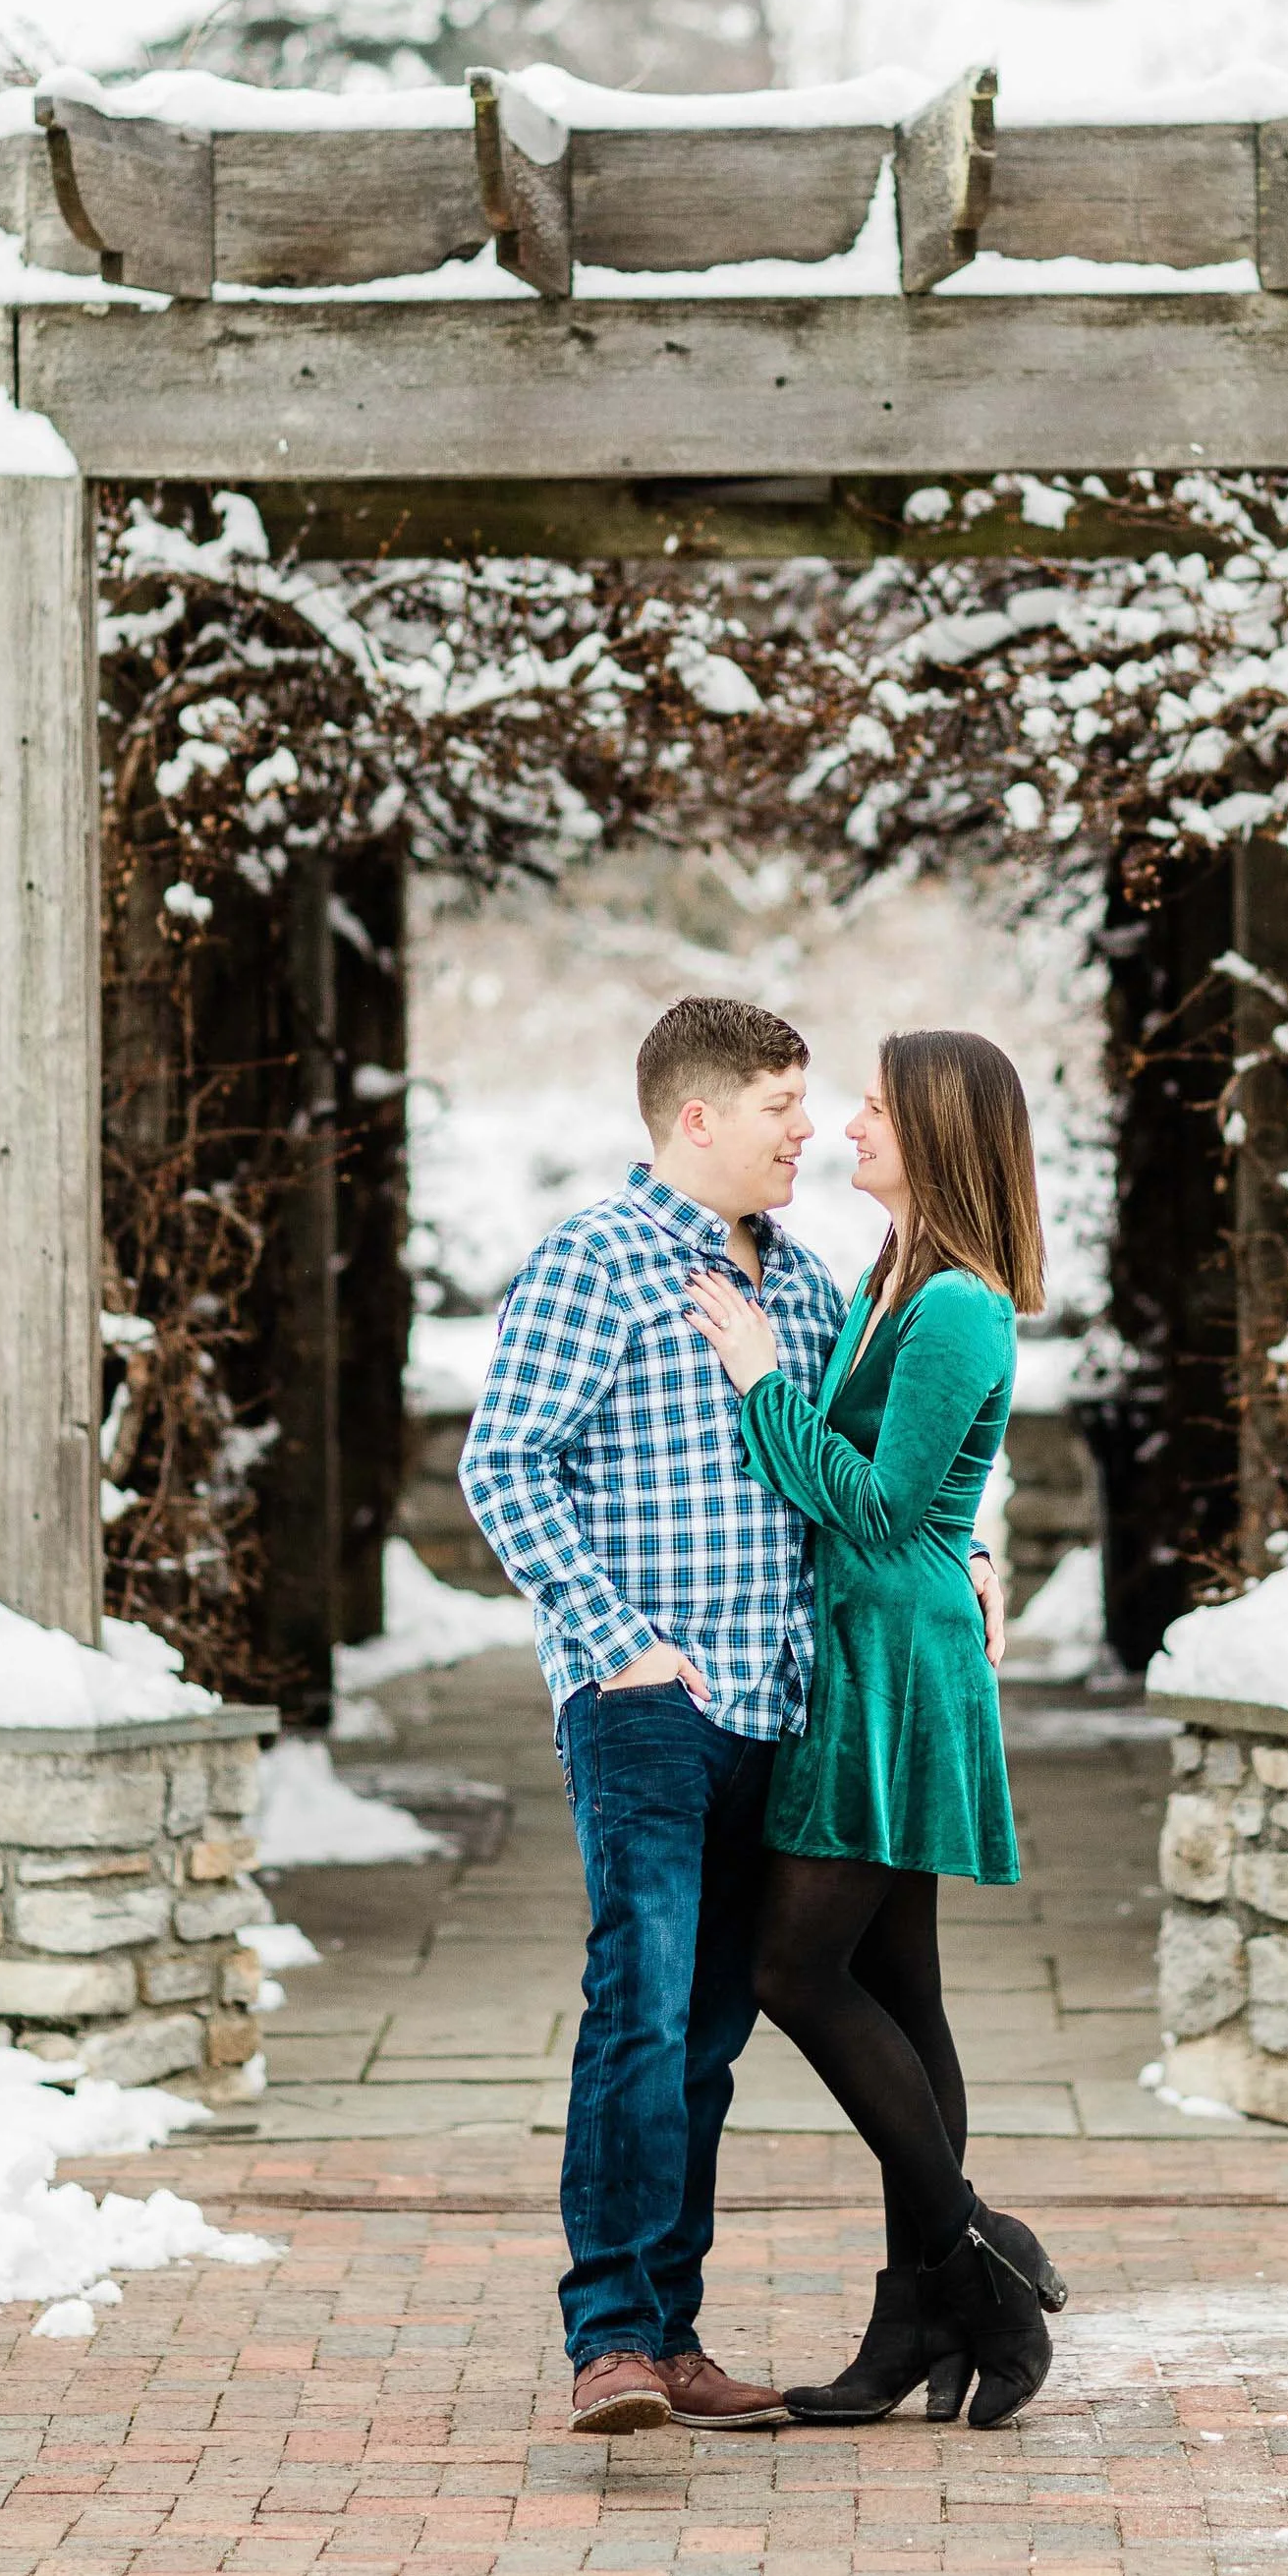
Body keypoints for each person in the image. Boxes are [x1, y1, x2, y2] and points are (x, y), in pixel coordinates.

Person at [459, 996, 1003, 2437]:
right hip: (645, 1700)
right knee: (638, 2004)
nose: (809, 1133)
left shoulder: (816, 1284)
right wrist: (614, 1639)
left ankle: (679, 2335)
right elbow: (507, 1465)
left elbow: (876, 1474)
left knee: (710, 2028)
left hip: (785, 1707)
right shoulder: (596, 1261)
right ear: (697, 1119)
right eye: (781, 1108)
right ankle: (613, 2342)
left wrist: (976, 1553)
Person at [685, 1027, 1066, 2432]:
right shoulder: (891, 1275)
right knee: (902, 1989)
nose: (850, 1123)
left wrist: (757, 1378)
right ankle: (923, 2308)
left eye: (876, 1107)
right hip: (869, 1648)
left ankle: (971, 2254)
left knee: (794, 1965)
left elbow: (884, 1506)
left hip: (895, 1664)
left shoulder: (958, 1304)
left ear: (939, 1134)